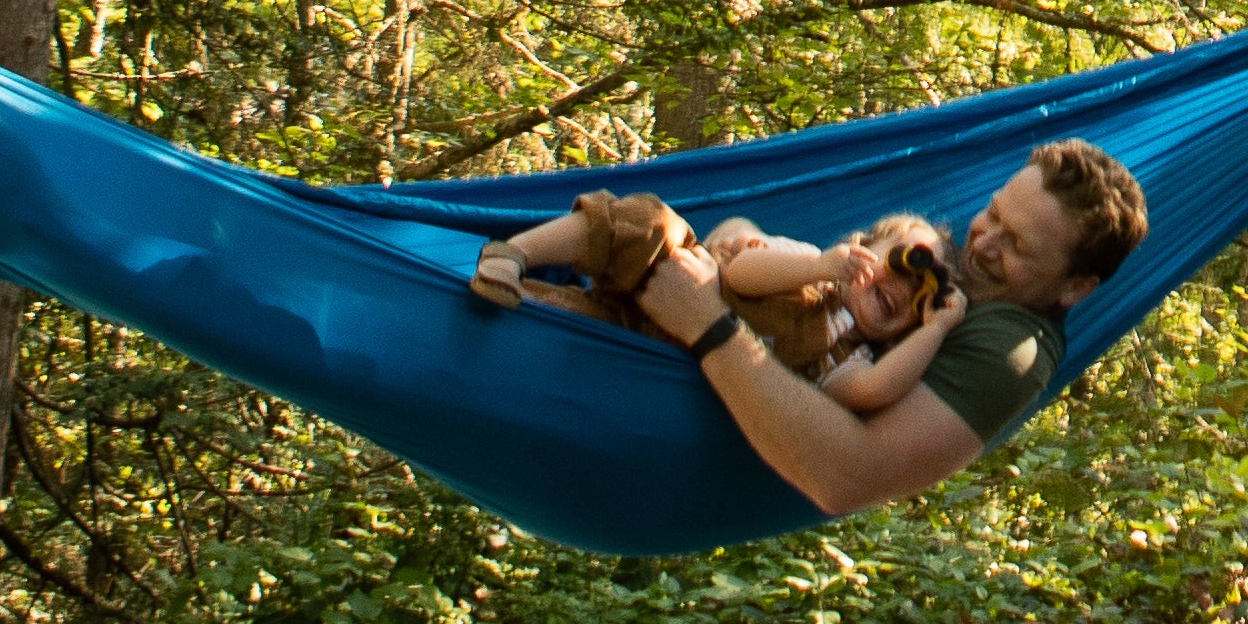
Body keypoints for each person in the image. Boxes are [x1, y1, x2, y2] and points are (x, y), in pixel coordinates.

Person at [633, 138, 1147, 519]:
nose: (984, 245)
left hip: (684, 419)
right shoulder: (943, 267)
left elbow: (846, 477)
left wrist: (709, 324)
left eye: (1018, 246)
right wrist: (742, 242)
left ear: (1076, 288)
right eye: (991, 214)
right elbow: (814, 270)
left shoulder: (1011, 351)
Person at [470, 192, 968, 411]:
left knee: (557, 322)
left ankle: (517, 296)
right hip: (668, 281)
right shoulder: (810, 263)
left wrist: (937, 328)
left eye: (921, 294)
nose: (903, 285)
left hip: (649, 353)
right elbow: (742, 273)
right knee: (650, 223)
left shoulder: (846, 363)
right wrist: (819, 267)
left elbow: (879, 388)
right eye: (903, 261)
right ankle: (515, 253)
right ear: (860, 246)